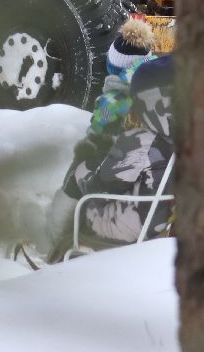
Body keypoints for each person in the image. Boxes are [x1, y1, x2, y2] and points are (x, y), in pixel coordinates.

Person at [47, 18, 177, 256]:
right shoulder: (174, 127)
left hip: (140, 223)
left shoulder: (133, 126)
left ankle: (56, 249)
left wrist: (82, 173)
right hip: (165, 213)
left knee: (77, 192)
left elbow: (104, 177)